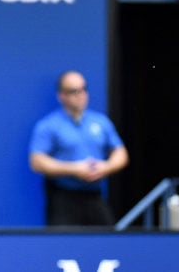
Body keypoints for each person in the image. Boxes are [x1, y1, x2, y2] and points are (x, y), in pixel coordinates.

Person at [29, 70, 129, 226]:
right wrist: (75, 169)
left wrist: (105, 167)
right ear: (61, 95)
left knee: (107, 242)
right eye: (74, 91)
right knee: (61, 246)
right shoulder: (49, 125)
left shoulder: (100, 121)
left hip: (94, 196)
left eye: (84, 89)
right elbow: (37, 161)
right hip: (63, 197)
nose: (81, 95)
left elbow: (120, 153)